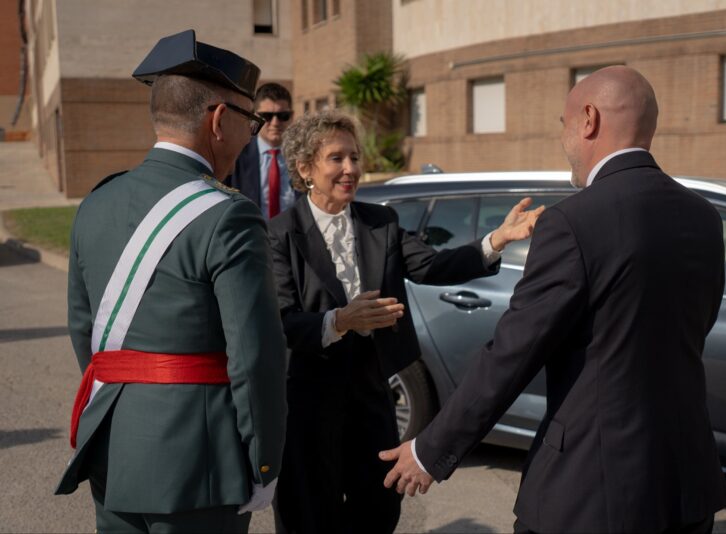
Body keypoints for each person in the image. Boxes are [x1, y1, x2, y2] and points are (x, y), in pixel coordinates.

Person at [381, 66, 726, 534]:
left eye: (563, 124)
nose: (563, 139)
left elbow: (513, 354)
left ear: (588, 119)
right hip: (688, 485)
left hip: (594, 493)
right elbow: (696, 325)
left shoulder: (572, 222)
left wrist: (430, 450)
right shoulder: (704, 216)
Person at [266, 110, 544, 533]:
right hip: (307, 401)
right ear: (305, 168)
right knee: (308, 513)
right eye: (337, 158)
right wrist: (339, 321)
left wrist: (497, 239)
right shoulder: (279, 234)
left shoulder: (382, 222)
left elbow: (434, 266)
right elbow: (282, 320)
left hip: (371, 397)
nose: (350, 168)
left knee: (379, 507)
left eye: (354, 157)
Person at [54, 30, 287, 533]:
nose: (251, 136)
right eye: (250, 122)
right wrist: (264, 463)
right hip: (200, 465)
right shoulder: (229, 215)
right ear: (219, 120)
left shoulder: (96, 202)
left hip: (113, 447)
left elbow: (85, 333)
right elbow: (255, 356)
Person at [226, 82, 298, 218]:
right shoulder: (237, 155)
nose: (275, 123)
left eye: (283, 115)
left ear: (292, 116)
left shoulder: (303, 156)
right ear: (255, 116)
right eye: (267, 116)